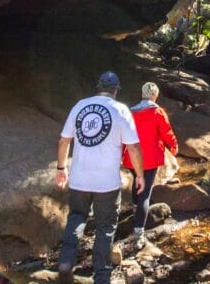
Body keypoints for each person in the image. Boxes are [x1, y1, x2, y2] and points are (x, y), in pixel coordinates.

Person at [56, 71, 145, 284]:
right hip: (107, 183)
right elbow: (132, 147)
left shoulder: (80, 106)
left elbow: (63, 141)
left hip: (79, 179)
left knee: (77, 217)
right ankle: (102, 277)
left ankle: (66, 263)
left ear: (99, 87)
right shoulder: (120, 109)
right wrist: (139, 175)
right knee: (105, 227)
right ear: (116, 90)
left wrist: (61, 168)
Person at [121, 81, 178, 248]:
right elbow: (166, 132)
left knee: (137, 182)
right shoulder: (158, 112)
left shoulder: (130, 112)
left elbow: (124, 134)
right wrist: (173, 146)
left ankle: (134, 209)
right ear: (155, 96)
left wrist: (121, 152)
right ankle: (139, 234)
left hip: (132, 158)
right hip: (150, 158)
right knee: (145, 193)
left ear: (142, 94)